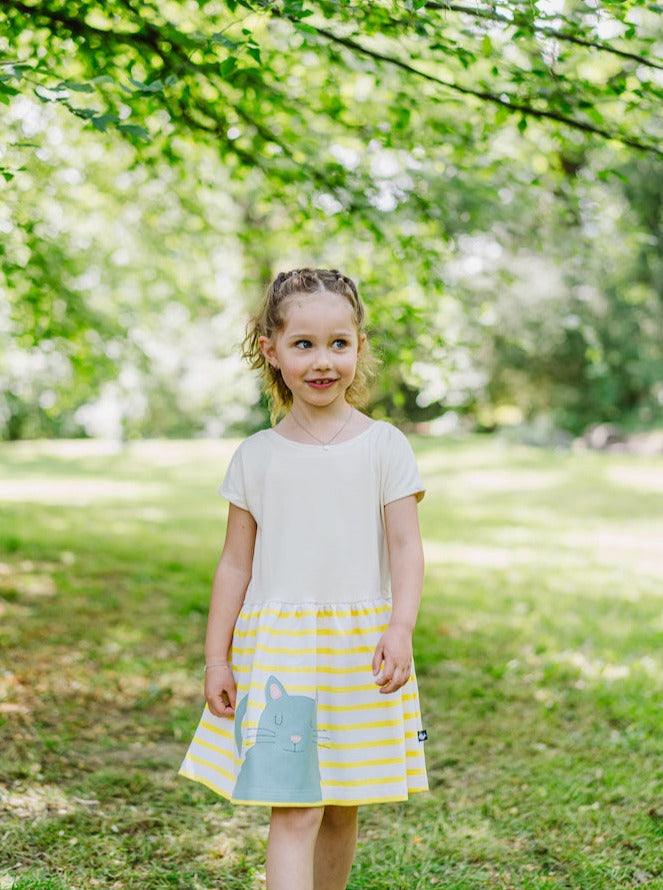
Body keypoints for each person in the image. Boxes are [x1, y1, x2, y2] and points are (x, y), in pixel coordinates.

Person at [179, 268, 428, 890]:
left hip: (360, 650)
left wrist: (401, 628)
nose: (323, 361)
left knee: (342, 805)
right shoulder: (255, 457)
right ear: (272, 350)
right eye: (304, 344)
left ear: (359, 347)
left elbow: (406, 547)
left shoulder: (385, 447)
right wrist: (217, 659)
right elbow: (235, 563)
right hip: (283, 655)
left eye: (339, 344)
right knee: (296, 807)